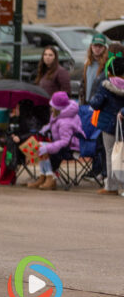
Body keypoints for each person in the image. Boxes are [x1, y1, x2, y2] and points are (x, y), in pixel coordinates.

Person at [27, 91, 83, 190]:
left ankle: (50, 177)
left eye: (52, 105)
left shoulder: (65, 122)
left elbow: (65, 141)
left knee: (43, 148)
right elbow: (54, 126)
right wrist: (45, 129)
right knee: (39, 146)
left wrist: (48, 147)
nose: (50, 107)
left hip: (70, 148)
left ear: (57, 108)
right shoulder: (60, 115)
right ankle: (43, 176)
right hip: (61, 144)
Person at [87, 56, 124, 195]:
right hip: (123, 122)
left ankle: (111, 186)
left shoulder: (106, 85)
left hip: (109, 125)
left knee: (110, 153)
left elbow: (96, 103)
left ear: (109, 72)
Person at [80, 34, 108, 104]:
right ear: (91, 46)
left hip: (99, 102)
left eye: (100, 46)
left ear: (104, 48)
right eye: (95, 45)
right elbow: (83, 83)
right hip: (87, 101)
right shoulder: (87, 63)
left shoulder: (106, 65)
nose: (97, 48)